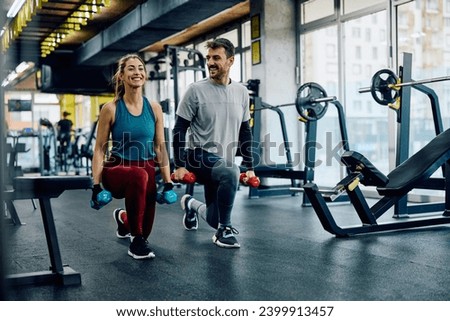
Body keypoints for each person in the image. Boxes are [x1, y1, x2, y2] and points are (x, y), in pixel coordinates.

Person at [172, 38, 256, 249]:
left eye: (216, 58)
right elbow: (179, 129)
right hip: (198, 156)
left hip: (221, 162)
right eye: (208, 58)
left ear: (230, 61)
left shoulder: (241, 92)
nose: (210, 62)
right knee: (230, 171)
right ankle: (224, 230)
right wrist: (179, 165)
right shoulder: (195, 90)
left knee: (212, 218)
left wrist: (251, 168)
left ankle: (190, 204)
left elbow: (245, 131)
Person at [91, 53, 173, 260]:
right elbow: (100, 149)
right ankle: (134, 242)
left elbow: (160, 147)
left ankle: (124, 219)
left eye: (140, 68)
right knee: (138, 176)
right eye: (131, 68)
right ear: (121, 75)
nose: (137, 72)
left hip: (145, 168)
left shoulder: (154, 108)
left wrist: (169, 181)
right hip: (117, 168)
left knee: (145, 230)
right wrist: (95, 185)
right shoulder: (110, 109)